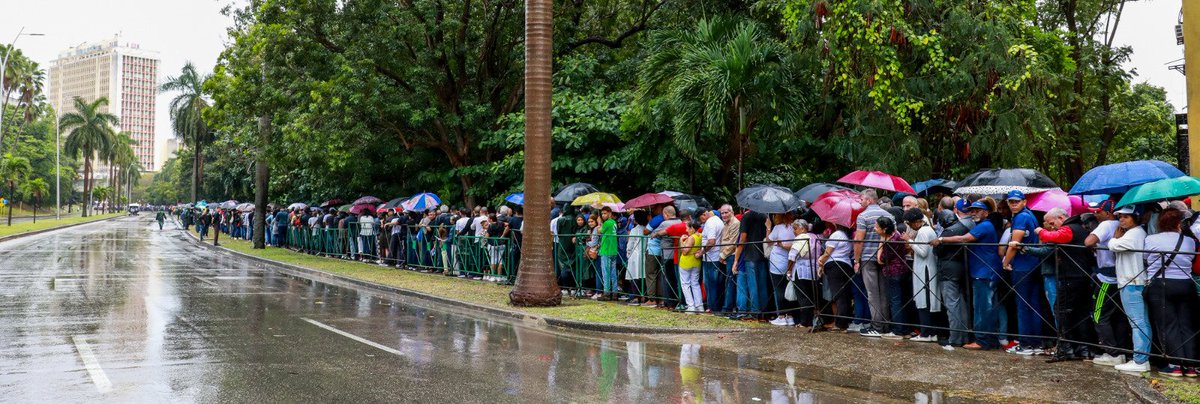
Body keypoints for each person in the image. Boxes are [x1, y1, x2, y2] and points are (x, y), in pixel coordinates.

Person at [932, 201, 1002, 350]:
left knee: (983, 307)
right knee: (984, 306)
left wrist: (941, 239)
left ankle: (983, 340)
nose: (974, 213)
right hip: (981, 270)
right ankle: (988, 339)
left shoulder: (984, 225)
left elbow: (964, 239)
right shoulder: (981, 225)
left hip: (984, 272)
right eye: (972, 210)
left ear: (986, 212)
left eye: (978, 210)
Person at [1036, 207, 1099, 363]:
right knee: (1081, 313)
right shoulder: (1081, 228)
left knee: (1061, 310)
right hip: (1083, 276)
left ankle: (1066, 349)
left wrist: (1039, 231)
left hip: (1072, 276)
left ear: (1061, 218)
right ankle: (1084, 349)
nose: (1051, 226)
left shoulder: (1069, 229)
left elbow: (1055, 237)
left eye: (1052, 223)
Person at [1142, 207, 1198, 376]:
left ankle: (1174, 364)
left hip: (1161, 284)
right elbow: (1192, 258)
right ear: (1178, 223)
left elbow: (1144, 258)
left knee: (1168, 325)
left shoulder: (1151, 239)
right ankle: (1191, 366)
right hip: (1186, 284)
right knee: (1187, 325)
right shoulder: (1189, 241)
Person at [1085, 200, 1130, 365]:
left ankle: (1112, 353)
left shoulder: (1106, 225)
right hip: (1122, 276)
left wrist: (1095, 241)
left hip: (1107, 278)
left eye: (1098, 212)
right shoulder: (1122, 225)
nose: (1096, 215)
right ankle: (1121, 351)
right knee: (1118, 316)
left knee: (1099, 315)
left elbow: (1088, 242)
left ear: (1108, 213)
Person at [1000, 190, 1045, 355]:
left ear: (1024, 202)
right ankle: (1036, 343)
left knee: (1023, 305)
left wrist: (1005, 262)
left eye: (1016, 201)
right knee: (1033, 304)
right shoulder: (1031, 215)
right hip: (1033, 263)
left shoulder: (1020, 217)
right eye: (1011, 201)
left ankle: (1025, 344)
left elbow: (1014, 243)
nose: (1013, 204)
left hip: (1023, 266)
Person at [1108, 205, 1151, 372]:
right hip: (1131, 280)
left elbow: (1113, 246)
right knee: (1139, 321)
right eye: (1120, 217)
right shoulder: (1135, 233)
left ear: (1135, 217)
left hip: (1131, 282)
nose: (1121, 220)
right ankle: (1141, 358)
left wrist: (1114, 238)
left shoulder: (1135, 234)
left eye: (1126, 217)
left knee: (1138, 322)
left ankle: (1140, 360)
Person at [854, 189, 890, 337]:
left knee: (872, 293)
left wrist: (856, 260)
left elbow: (858, 240)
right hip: (885, 258)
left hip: (868, 257)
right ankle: (886, 324)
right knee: (884, 292)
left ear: (869, 200)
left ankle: (876, 326)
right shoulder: (889, 216)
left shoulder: (863, 216)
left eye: (861, 199)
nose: (860, 201)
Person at [904, 208, 941, 343]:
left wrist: (909, 241)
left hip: (924, 269)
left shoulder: (922, 231)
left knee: (924, 301)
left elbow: (923, 252)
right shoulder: (929, 229)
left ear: (915, 222)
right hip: (928, 268)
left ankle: (926, 333)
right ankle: (931, 332)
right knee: (928, 301)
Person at [874, 216, 909, 339]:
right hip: (902, 270)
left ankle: (898, 330)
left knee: (895, 301)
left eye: (877, 227)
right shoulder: (897, 235)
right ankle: (904, 328)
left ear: (884, 229)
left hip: (893, 272)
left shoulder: (889, 241)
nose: (875, 229)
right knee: (900, 300)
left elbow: (881, 259)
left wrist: (880, 243)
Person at [733, 209, 770, 320]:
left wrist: (736, 259)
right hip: (763, 254)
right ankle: (763, 312)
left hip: (750, 255)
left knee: (753, 285)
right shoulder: (765, 215)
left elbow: (743, 238)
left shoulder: (746, 217)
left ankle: (754, 312)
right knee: (762, 285)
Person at [817, 224, 855, 331]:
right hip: (846, 265)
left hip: (834, 266)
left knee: (839, 296)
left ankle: (841, 324)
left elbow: (828, 252)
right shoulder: (847, 236)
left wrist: (820, 261)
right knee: (845, 296)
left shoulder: (837, 234)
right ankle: (844, 321)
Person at [787, 220, 820, 328]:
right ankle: (810, 321)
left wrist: (789, 270)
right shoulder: (815, 237)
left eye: (795, 228)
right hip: (813, 270)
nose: (794, 231)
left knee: (803, 297)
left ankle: (805, 322)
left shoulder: (801, 238)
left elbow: (792, 256)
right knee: (810, 296)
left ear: (803, 228)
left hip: (801, 270)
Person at [765, 213, 796, 326]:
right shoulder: (794, 227)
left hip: (778, 260)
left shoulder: (778, 228)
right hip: (791, 261)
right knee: (789, 287)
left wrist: (768, 227)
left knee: (778, 289)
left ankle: (782, 316)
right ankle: (790, 315)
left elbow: (768, 241)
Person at [698, 209, 726, 314]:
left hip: (711, 258)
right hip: (716, 257)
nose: (701, 222)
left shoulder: (710, 223)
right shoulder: (717, 220)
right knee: (716, 284)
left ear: (704, 214)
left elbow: (711, 241)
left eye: (701, 219)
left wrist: (702, 252)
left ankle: (713, 308)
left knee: (710, 284)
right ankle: (716, 307)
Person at [716, 205, 741, 314]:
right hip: (727, 256)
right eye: (722, 213)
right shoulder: (726, 224)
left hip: (731, 256)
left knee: (730, 282)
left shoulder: (735, 223)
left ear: (732, 212)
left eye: (726, 212)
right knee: (728, 282)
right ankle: (727, 307)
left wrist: (722, 256)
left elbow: (732, 243)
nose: (724, 215)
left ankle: (727, 308)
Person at [677, 220, 705, 313]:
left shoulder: (691, 238)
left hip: (687, 262)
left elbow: (685, 251)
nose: (686, 229)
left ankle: (691, 306)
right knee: (695, 284)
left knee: (685, 284)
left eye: (687, 228)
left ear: (692, 228)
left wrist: (681, 241)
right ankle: (699, 306)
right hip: (696, 262)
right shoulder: (700, 235)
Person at [626, 210, 649, 304]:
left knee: (635, 276)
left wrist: (628, 254)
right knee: (644, 276)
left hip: (635, 255)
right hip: (645, 254)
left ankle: (636, 296)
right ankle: (645, 296)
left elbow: (630, 244)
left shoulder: (634, 230)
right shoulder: (648, 229)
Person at [598, 206, 620, 300]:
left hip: (606, 250)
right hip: (613, 250)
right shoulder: (614, 222)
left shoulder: (607, 223)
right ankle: (615, 293)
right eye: (602, 213)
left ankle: (606, 293)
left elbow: (600, 231)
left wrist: (599, 223)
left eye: (605, 213)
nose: (603, 215)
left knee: (606, 273)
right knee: (613, 273)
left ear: (610, 213)